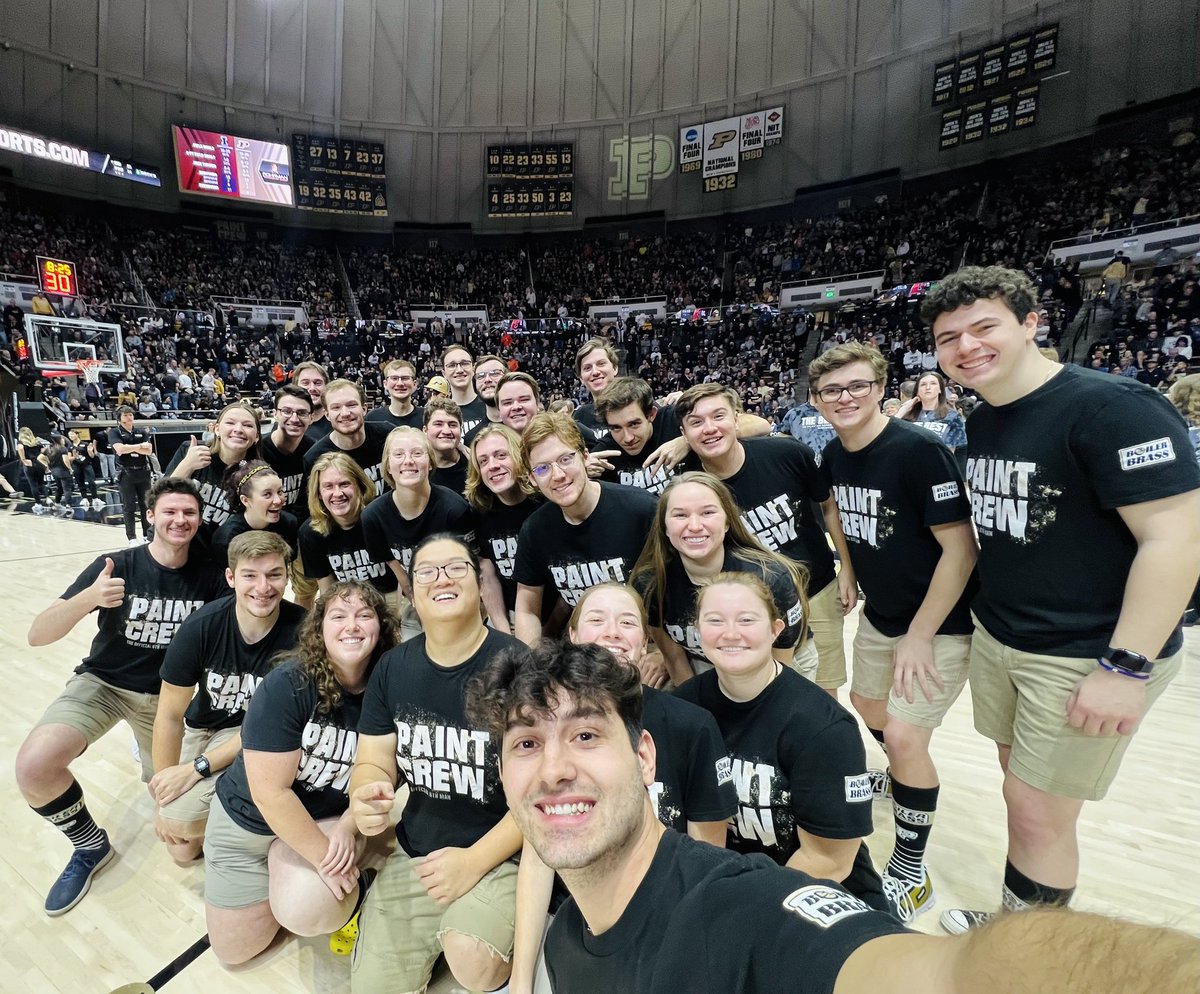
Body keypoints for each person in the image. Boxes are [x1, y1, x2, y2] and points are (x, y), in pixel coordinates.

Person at [466, 639, 1200, 994]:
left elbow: (946, 977)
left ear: (648, 757)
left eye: (587, 734)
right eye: (526, 743)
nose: (554, 765)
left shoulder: (742, 905)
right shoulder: (565, 942)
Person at [925, 265, 1200, 932]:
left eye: (984, 327)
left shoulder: (1114, 408)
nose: (966, 347)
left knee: (1038, 814)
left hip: (1086, 653)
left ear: (1031, 323)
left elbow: (1177, 538)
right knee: (1020, 793)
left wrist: (1126, 666)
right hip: (1006, 636)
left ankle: (1025, 958)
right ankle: (1018, 929)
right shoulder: (985, 419)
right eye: (948, 337)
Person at [809, 341, 979, 918]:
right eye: (833, 390)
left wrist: (922, 633)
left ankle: (910, 863)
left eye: (857, 386)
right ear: (816, 400)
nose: (846, 397)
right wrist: (849, 572)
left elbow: (961, 550)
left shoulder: (920, 451)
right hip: (883, 614)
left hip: (941, 621)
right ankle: (907, 779)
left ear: (882, 388)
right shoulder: (834, 453)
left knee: (906, 739)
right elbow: (839, 516)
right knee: (865, 703)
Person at [508, 584, 738, 994]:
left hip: (667, 915)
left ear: (644, 643)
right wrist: (521, 981)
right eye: (596, 620)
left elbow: (707, 855)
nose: (612, 631)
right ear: (573, 638)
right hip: (576, 916)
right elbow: (538, 862)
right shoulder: (541, 722)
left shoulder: (691, 724)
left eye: (627, 622)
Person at [16, 478, 226, 915]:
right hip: (105, 684)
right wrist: (89, 599)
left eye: (188, 512)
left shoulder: (210, 575)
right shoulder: (116, 565)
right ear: (150, 516)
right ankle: (90, 846)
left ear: (200, 519)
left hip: (173, 704)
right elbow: (38, 634)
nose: (179, 520)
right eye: (169, 511)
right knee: (35, 767)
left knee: (182, 844)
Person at [348, 534, 523, 994]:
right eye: (426, 571)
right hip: (418, 852)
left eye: (455, 568)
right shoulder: (392, 667)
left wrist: (474, 862)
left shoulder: (518, 666)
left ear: (480, 584)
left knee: (474, 961)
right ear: (411, 588)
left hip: (503, 854)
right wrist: (365, 791)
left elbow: (543, 797)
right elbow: (373, 759)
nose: (441, 578)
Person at [203, 580, 398, 965]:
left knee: (308, 911)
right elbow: (270, 794)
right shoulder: (289, 683)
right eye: (338, 616)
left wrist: (347, 825)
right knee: (234, 952)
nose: (352, 626)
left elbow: (385, 775)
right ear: (319, 627)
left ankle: (331, 887)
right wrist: (325, 860)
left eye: (364, 615)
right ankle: (281, 867)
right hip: (249, 820)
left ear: (382, 626)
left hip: (322, 818)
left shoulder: (392, 685)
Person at [674, 573, 890, 913]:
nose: (731, 633)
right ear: (698, 633)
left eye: (747, 620)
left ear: (776, 630)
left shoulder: (825, 728)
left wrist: (746, 912)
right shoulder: (683, 707)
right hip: (721, 886)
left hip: (812, 898)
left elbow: (829, 861)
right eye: (715, 621)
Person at [676, 382, 857, 696]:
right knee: (759, 696)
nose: (709, 428)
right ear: (684, 431)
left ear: (737, 419)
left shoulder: (787, 453)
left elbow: (828, 505)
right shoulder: (689, 481)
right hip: (747, 608)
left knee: (823, 692)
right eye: (696, 422)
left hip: (816, 590)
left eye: (718, 416)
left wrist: (848, 572)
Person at [152, 531, 305, 864]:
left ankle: (231, 805)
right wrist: (165, 787)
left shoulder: (303, 633)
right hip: (207, 727)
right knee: (181, 845)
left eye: (274, 574)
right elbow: (169, 715)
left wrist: (199, 768)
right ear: (231, 577)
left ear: (287, 576)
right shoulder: (201, 627)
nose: (263, 587)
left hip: (265, 736)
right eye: (250, 575)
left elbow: (273, 727)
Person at [631, 470, 811, 685]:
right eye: (680, 515)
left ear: (727, 522)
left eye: (707, 513)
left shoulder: (771, 578)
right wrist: (695, 711)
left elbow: (780, 666)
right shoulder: (651, 584)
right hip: (706, 661)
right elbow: (675, 658)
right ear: (665, 528)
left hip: (779, 664)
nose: (695, 526)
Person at [513, 413, 657, 645]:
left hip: (646, 642)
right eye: (542, 469)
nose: (558, 475)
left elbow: (679, 585)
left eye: (566, 459)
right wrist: (530, 665)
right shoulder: (535, 530)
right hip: (584, 649)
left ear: (585, 457)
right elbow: (526, 608)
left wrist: (663, 652)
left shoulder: (641, 509)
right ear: (531, 478)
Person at [362, 426, 489, 632]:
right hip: (416, 594)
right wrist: (415, 599)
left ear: (430, 462)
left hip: (456, 592)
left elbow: (472, 568)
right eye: (399, 454)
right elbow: (398, 570)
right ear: (387, 466)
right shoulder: (373, 516)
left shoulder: (454, 509)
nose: (408, 461)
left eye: (417, 453)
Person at [466, 424, 540, 631]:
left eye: (501, 455)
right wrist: (503, 631)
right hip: (508, 614)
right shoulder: (478, 512)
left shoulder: (547, 502)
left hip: (557, 614)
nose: (493, 465)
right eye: (483, 461)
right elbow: (487, 576)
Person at [298, 452, 397, 599]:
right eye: (328, 487)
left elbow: (403, 577)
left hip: (390, 595)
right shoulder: (310, 533)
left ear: (359, 486)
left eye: (344, 484)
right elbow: (327, 591)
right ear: (319, 493)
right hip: (346, 599)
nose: (337, 493)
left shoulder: (380, 517)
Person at [165, 399, 262, 536]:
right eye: (230, 423)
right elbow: (159, 500)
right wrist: (187, 465)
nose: (238, 429)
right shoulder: (191, 451)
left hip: (227, 552)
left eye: (247, 425)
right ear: (217, 429)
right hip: (181, 546)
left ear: (256, 436)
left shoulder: (257, 474)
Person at [303, 379, 390, 496]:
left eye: (351, 405)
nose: (345, 413)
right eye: (336, 407)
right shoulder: (315, 457)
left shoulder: (388, 435)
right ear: (327, 414)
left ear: (364, 409)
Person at [210, 460, 299, 571]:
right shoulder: (226, 538)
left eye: (280, 491)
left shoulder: (289, 523)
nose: (278, 500)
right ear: (246, 500)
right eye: (267, 494)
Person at [109, 405, 154, 545]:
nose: (129, 417)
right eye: (126, 415)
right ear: (119, 418)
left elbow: (149, 451)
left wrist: (132, 448)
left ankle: (147, 535)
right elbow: (120, 449)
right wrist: (140, 446)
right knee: (129, 506)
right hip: (126, 472)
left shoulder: (141, 431)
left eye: (131, 414)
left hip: (143, 471)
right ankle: (132, 538)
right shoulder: (114, 432)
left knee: (146, 505)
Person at [897, 371, 968, 452]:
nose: (928, 387)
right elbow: (886, 436)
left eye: (933, 383)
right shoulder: (906, 416)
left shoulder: (953, 416)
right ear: (917, 391)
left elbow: (952, 453)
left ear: (940, 389)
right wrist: (903, 410)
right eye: (923, 384)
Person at [423, 396, 469, 495]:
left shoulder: (474, 466)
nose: (446, 431)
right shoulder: (417, 470)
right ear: (425, 430)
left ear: (460, 430)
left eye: (452, 425)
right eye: (438, 424)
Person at [441, 344, 487, 435]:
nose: (459, 370)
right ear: (444, 373)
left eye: (464, 363)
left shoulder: (489, 407)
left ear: (473, 369)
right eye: (452, 365)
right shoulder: (439, 413)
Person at [366, 358, 424, 429]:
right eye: (394, 378)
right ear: (385, 384)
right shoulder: (372, 419)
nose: (400, 383)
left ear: (414, 384)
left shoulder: (427, 417)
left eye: (405, 378)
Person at [293, 360, 332, 441]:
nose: (312, 388)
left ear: (326, 387)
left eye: (318, 383)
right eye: (305, 383)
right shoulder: (284, 426)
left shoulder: (338, 424)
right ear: (295, 388)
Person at [495, 370, 544, 435]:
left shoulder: (559, 440)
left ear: (537, 403)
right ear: (499, 410)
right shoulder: (489, 444)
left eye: (524, 400)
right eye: (507, 403)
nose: (516, 407)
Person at [68, 429, 103, 510]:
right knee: (80, 482)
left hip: (86, 465)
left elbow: (92, 456)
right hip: (76, 466)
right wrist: (74, 457)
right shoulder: (70, 447)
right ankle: (84, 498)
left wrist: (90, 451)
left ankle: (95, 498)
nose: (71, 437)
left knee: (91, 481)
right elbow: (69, 458)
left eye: (72, 434)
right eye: (69, 436)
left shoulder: (85, 444)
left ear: (77, 434)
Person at [18, 424, 47, 502]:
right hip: (39, 464)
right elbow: (44, 451)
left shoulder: (21, 442)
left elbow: (20, 448)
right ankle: (48, 499)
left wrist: (23, 459)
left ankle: (38, 503)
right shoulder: (37, 441)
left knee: (33, 484)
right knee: (41, 483)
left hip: (29, 464)